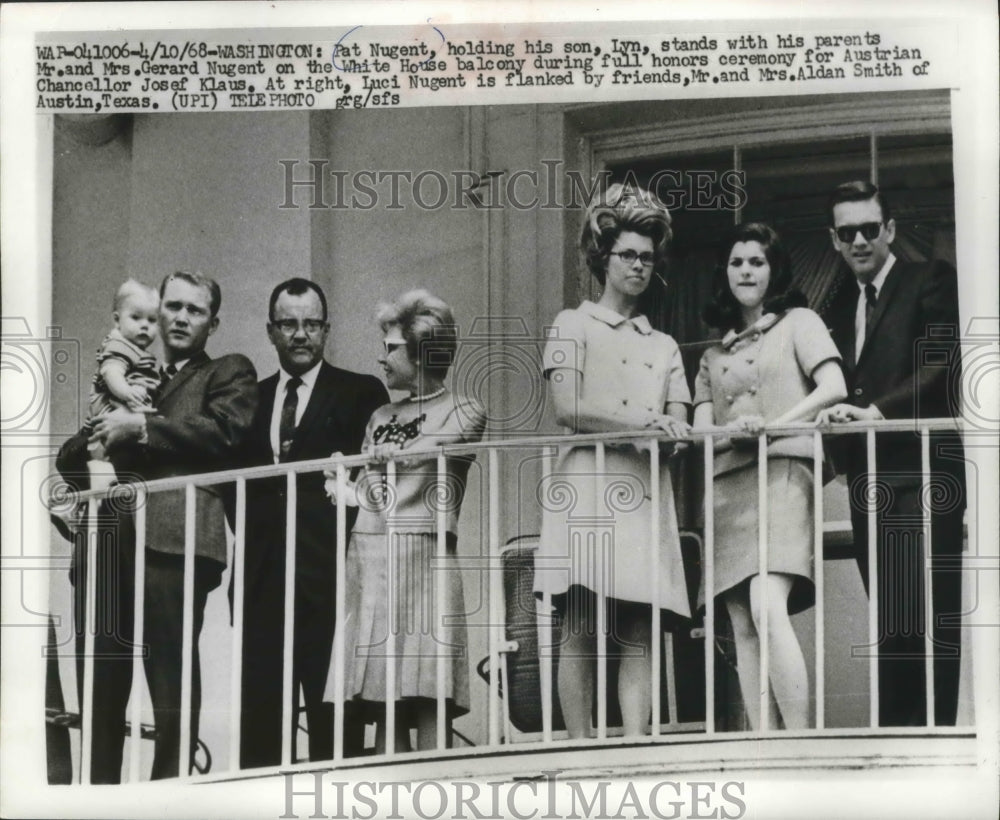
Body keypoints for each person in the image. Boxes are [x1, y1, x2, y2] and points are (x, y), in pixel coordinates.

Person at [56, 270, 258, 781]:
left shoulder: (228, 371)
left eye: (195, 309)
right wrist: (105, 433)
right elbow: (69, 455)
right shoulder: (128, 371)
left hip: (173, 538)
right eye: (173, 306)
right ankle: (98, 798)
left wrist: (140, 426)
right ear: (159, 309)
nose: (181, 317)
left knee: (171, 679)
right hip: (104, 541)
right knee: (99, 680)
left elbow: (226, 433)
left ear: (213, 322)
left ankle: (171, 794)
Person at [533, 184, 692, 739]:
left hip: (645, 492)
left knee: (639, 625)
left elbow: (678, 422)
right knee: (579, 619)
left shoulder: (665, 344)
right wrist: (642, 423)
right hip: (587, 488)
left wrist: (673, 433)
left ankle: (635, 746)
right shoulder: (567, 324)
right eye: (628, 254)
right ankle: (579, 747)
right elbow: (566, 406)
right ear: (604, 257)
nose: (640, 266)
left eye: (648, 257)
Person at [817, 181, 965, 726]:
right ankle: (901, 740)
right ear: (834, 240)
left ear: (891, 231)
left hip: (924, 473)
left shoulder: (929, 279)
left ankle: (934, 745)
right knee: (893, 618)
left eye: (869, 229)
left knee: (930, 618)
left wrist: (874, 413)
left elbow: (941, 363)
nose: (859, 240)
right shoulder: (837, 305)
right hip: (870, 480)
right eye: (847, 232)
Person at [693, 222, 847, 730]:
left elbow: (833, 387)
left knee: (766, 604)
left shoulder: (800, 321)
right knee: (742, 621)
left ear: (774, 269)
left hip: (782, 468)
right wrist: (730, 431)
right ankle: (764, 740)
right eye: (737, 262)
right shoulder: (713, 354)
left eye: (756, 261)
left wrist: (771, 426)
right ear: (725, 274)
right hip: (727, 484)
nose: (746, 271)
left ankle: (799, 737)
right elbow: (700, 431)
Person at [322, 289, 485, 753]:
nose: (382, 358)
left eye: (391, 348)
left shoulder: (465, 408)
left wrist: (393, 456)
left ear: (423, 351)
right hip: (371, 554)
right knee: (382, 693)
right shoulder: (378, 415)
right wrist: (342, 478)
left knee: (429, 684)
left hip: (424, 554)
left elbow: (436, 447)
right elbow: (369, 489)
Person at [239, 278, 388, 768]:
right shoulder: (251, 399)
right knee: (261, 731)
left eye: (311, 324)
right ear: (271, 331)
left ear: (326, 329)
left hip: (333, 584)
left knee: (334, 731)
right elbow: (234, 491)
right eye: (288, 324)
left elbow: (375, 486)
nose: (300, 334)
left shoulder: (361, 392)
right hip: (262, 584)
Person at [85, 279, 162, 489]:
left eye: (152, 320)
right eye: (136, 318)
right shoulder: (119, 345)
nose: (145, 325)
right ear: (117, 320)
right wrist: (127, 392)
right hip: (110, 408)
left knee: (116, 463)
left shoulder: (138, 351)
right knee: (104, 455)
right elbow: (111, 372)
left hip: (123, 415)